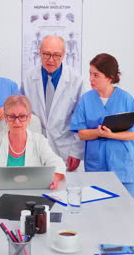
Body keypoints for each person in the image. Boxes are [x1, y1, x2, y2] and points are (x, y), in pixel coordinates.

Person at [70, 53, 134, 196]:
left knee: (124, 213)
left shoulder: (126, 99)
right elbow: (82, 133)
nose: (91, 79)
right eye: (90, 74)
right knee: (96, 211)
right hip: (96, 167)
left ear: (110, 77)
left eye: (96, 75)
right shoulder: (86, 99)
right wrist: (98, 133)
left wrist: (111, 135)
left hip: (122, 167)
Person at [0, 95, 66, 190]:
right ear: (5, 117)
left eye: (22, 116)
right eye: (12, 116)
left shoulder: (39, 140)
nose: (17, 122)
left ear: (29, 118)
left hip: (33, 194)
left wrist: (55, 177)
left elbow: (57, 162)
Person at [21, 35, 87, 172]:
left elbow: (81, 120)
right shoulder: (29, 77)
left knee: (65, 189)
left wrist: (77, 151)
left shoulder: (76, 80)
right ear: (39, 52)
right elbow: (22, 112)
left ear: (64, 55)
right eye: (46, 54)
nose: (51, 60)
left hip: (65, 149)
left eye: (56, 55)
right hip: (35, 148)